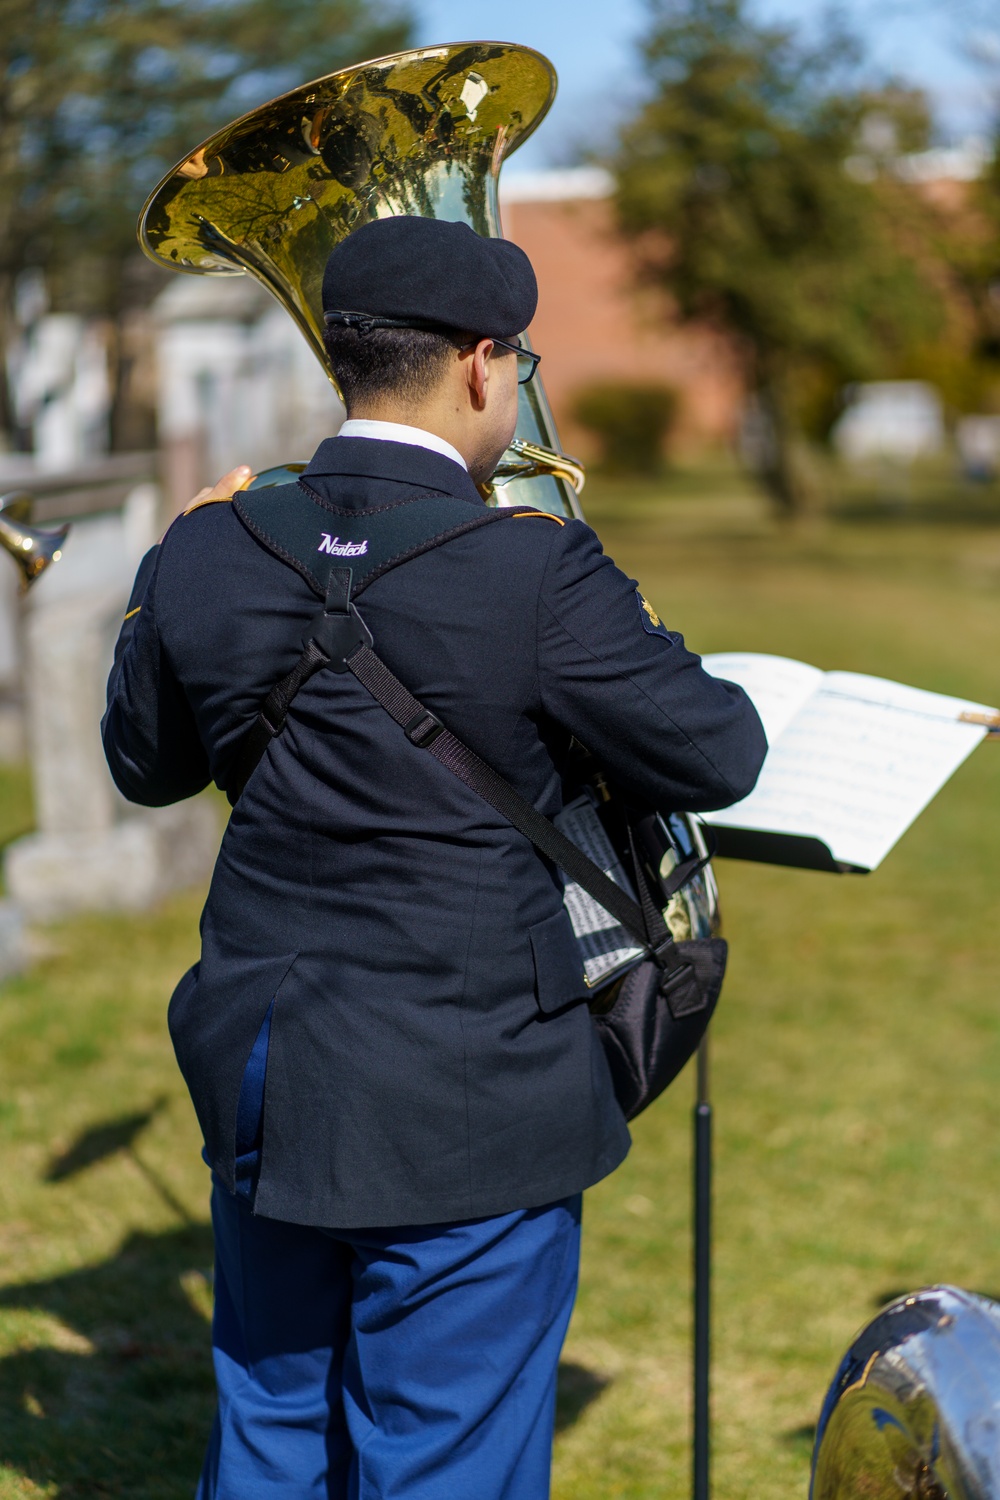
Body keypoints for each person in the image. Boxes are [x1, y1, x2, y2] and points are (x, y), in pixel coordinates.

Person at [103, 215, 766, 1499]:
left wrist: (155, 581)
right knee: (447, 1455)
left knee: (271, 1426)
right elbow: (719, 752)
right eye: (516, 362)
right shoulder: (536, 567)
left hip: (265, 1064)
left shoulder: (203, 545)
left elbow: (147, 766)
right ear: (480, 363)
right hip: (471, 1089)